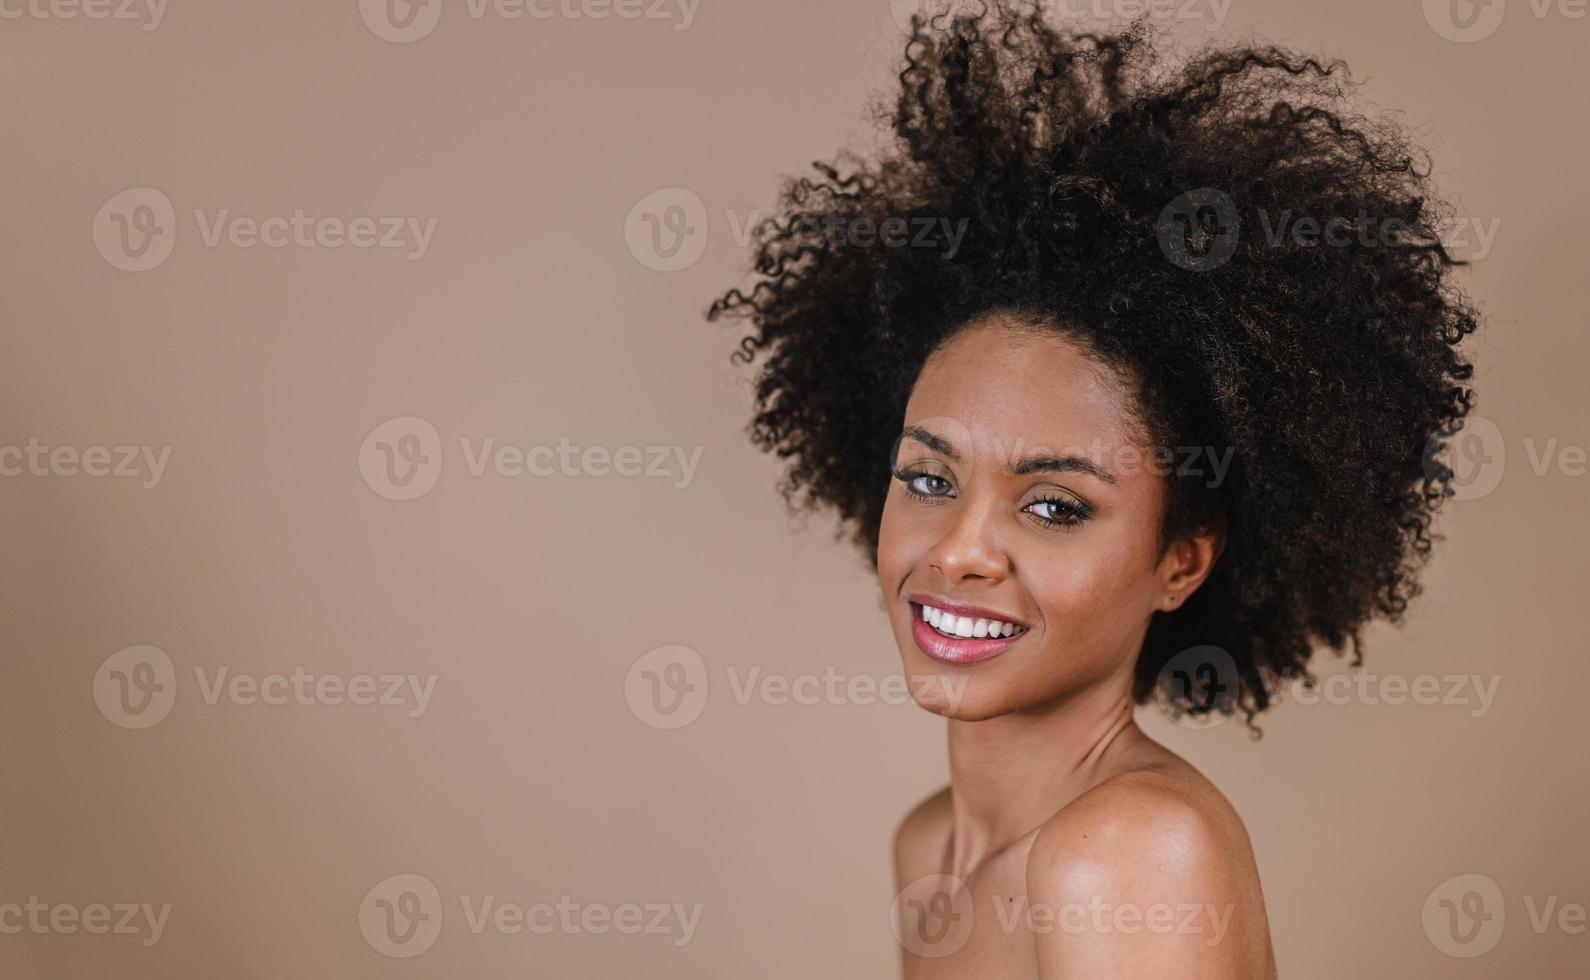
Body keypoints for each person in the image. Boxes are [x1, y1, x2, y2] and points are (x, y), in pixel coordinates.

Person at [708, 3, 1479, 974]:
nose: (958, 548)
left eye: (1054, 505)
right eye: (928, 476)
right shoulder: (929, 846)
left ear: (1181, 559)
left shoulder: (1126, 849)